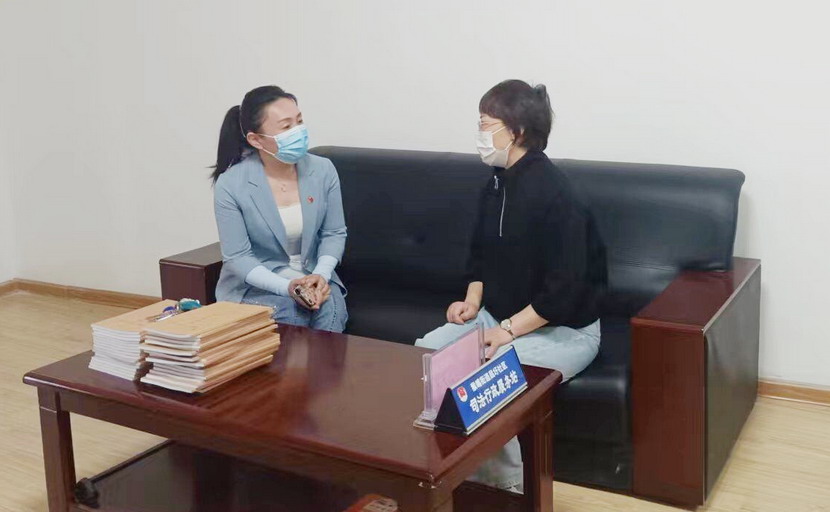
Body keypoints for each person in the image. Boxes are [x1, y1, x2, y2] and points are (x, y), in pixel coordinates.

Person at [415, 79, 607, 492]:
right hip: (497, 317)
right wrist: (472, 302)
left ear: (516, 132)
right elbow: (480, 254)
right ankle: (445, 480)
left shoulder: (558, 196)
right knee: (425, 354)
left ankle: (506, 493)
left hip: (564, 331)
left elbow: (565, 288)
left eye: (486, 124)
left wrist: (507, 331)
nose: (480, 134)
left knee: (487, 381)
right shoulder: (498, 181)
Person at [211, 85, 348, 332]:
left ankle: (325, 361)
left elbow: (334, 233)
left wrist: (321, 275)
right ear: (256, 139)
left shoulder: (323, 170)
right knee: (290, 313)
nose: (298, 131)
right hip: (257, 285)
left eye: (299, 121)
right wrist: (287, 287)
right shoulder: (231, 184)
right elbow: (238, 257)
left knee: (330, 310)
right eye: (286, 127)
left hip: (313, 276)